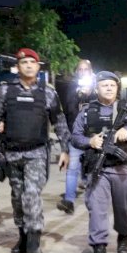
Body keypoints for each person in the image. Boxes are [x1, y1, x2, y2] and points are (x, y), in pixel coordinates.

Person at [0, 48, 70, 253]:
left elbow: (59, 122)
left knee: (31, 194)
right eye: (24, 62)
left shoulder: (47, 92)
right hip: (12, 153)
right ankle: (22, 235)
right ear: (17, 67)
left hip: (37, 153)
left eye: (33, 62)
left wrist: (66, 149)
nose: (29, 65)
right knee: (17, 198)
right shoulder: (5, 91)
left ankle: (33, 241)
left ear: (39, 67)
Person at [72, 71, 127, 253]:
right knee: (97, 209)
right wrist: (90, 141)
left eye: (112, 85)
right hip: (98, 169)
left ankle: (123, 236)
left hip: (123, 168)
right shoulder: (87, 111)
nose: (108, 88)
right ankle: (99, 249)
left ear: (117, 89)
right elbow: (75, 137)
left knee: (123, 210)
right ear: (97, 88)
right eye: (104, 85)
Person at [57, 59, 96, 214]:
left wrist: (90, 94)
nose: (82, 71)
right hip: (76, 134)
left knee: (93, 169)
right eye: (79, 69)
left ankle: (94, 201)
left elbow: (102, 106)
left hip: (93, 136)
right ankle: (69, 200)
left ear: (91, 71)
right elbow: (68, 109)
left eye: (85, 69)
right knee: (72, 168)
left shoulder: (96, 86)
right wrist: (78, 95)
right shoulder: (72, 87)